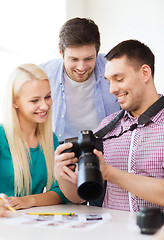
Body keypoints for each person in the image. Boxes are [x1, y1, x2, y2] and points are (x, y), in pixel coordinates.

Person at [54, 39, 164, 211]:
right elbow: (78, 198)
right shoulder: (106, 127)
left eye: (119, 79)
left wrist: (110, 173)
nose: (112, 89)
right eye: (108, 81)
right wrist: (62, 174)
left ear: (144, 73)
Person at [0, 63, 75, 216]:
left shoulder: (50, 139)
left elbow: (61, 191)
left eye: (47, 97)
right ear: (15, 102)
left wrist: (29, 200)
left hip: (32, 224)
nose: (45, 106)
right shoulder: (2, 137)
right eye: (35, 101)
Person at [40, 17, 120, 143]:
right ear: (61, 53)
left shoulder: (115, 68)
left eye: (88, 59)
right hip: (61, 149)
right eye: (74, 59)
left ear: (97, 52)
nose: (81, 67)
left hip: (110, 148)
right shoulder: (43, 75)